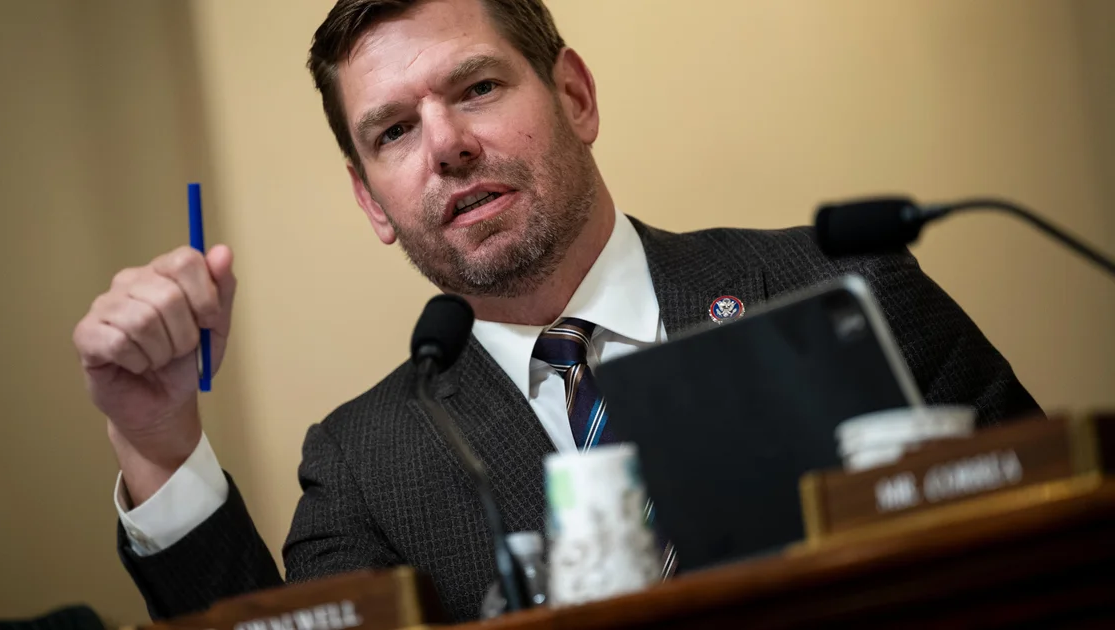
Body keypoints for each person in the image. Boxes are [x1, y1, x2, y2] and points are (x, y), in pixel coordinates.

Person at [71, 0, 1040, 622]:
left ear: (574, 95)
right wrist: (158, 444)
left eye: (478, 88)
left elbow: (1056, 550)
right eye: (395, 130)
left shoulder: (842, 284)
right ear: (372, 201)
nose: (446, 146)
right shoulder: (365, 465)